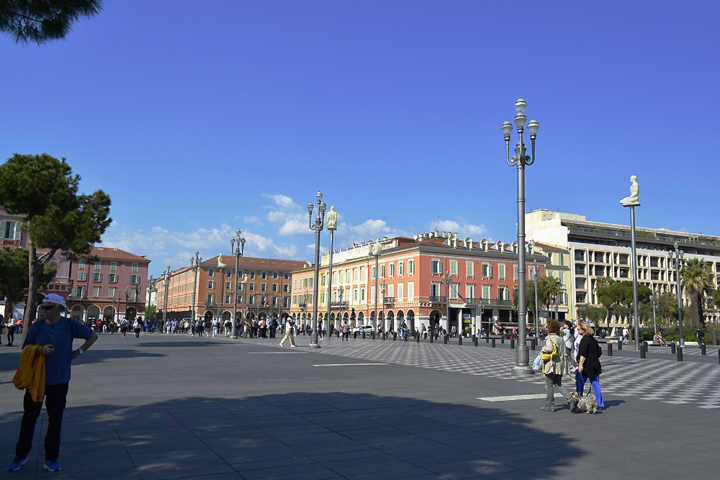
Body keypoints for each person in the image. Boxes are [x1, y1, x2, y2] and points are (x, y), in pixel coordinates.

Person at [8, 293, 97, 473]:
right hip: (36, 381)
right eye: (43, 307)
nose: (43, 310)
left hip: (59, 380)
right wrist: (39, 350)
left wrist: (78, 352)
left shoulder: (69, 324)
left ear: (59, 309)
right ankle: (21, 455)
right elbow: (26, 349)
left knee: (55, 421)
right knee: (28, 419)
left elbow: (92, 336)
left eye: (48, 307)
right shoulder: (37, 326)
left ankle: (51, 458)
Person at [540, 320, 569, 412]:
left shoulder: (550, 338)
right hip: (559, 365)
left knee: (549, 385)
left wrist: (543, 348)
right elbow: (565, 353)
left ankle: (549, 405)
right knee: (558, 384)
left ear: (550, 328)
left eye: (547, 327)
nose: (546, 328)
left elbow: (549, 349)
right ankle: (571, 399)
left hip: (551, 365)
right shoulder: (560, 339)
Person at [576, 323, 605, 410]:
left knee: (580, 384)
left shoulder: (584, 340)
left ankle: (579, 402)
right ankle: (600, 403)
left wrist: (580, 365)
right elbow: (599, 352)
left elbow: (583, 354)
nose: (577, 331)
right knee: (596, 384)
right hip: (595, 365)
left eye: (578, 329)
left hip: (586, 366)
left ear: (583, 330)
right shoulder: (593, 340)